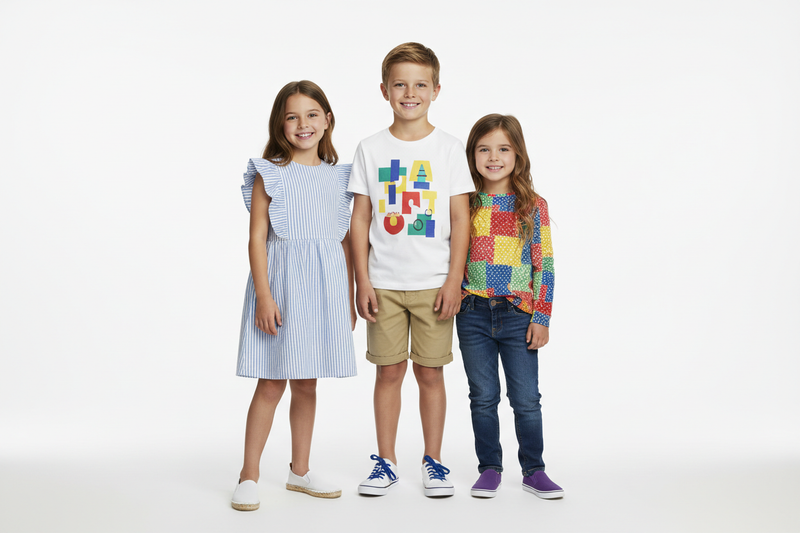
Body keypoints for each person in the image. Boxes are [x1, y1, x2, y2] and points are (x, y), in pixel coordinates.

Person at [349, 42, 474, 498]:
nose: (410, 92)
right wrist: (362, 280)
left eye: (420, 84)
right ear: (384, 90)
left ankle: (434, 460)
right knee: (387, 373)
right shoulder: (369, 148)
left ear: (436, 90)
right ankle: (385, 461)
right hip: (383, 284)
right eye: (400, 84)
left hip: (433, 285)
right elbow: (360, 218)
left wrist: (453, 280)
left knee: (430, 374)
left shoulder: (449, 149)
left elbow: (461, 219)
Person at [231, 80, 357, 511]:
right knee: (271, 382)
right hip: (281, 287)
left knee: (307, 382)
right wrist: (264, 297)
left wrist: (348, 294)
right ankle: (249, 474)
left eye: (311, 115)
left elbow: (344, 241)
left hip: (324, 290)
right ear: (280, 124)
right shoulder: (271, 173)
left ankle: (299, 471)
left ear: (327, 120)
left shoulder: (343, 177)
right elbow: (256, 239)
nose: (302, 124)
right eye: (292, 116)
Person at [456, 114, 564, 499]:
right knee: (482, 395)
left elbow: (544, 264)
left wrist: (542, 317)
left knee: (525, 398)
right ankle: (489, 467)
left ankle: (533, 470)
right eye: (484, 149)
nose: (494, 157)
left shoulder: (532, 205)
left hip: (518, 315)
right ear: (472, 155)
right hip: (472, 314)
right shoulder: (465, 202)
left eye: (503, 148)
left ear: (518, 154)